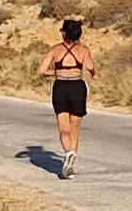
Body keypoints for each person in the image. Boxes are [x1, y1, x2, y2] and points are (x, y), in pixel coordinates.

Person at [40, 19, 95, 178]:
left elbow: (42, 70)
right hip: (77, 87)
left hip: (61, 87)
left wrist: (58, 72)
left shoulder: (55, 50)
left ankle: (68, 153)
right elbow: (91, 67)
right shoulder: (84, 50)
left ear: (64, 33)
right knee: (74, 128)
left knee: (63, 128)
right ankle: (71, 163)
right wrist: (94, 74)